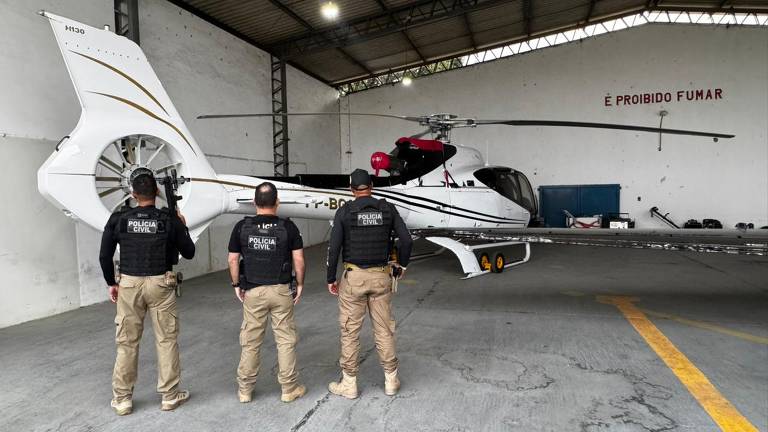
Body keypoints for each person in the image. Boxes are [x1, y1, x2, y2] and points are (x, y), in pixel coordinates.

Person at [98, 169, 195, 416]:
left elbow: (104, 255)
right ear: (157, 192)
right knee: (166, 340)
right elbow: (189, 252)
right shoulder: (168, 219)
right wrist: (181, 226)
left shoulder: (119, 218)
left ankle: (122, 400)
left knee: (127, 342)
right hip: (161, 283)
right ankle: (170, 397)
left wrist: (112, 282)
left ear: (132, 193)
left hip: (129, 284)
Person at [326, 168, 413, 399]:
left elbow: (334, 248)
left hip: (353, 278)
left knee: (350, 332)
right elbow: (406, 240)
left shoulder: (344, 212)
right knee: (384, 330)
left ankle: (349, 384)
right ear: (372, 187)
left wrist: (330, 278)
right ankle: (391, 380)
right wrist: (401, 266)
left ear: (351, 189)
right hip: (381, 277)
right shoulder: (387, 209)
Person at [227, 182, 307, 404]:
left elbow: (233, 259)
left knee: (251, 341)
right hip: (281, 291)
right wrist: (299, 284)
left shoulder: (241, 227)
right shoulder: (288, 227)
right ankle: (289, 389)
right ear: (277, 202)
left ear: (254, 202)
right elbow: (298, 259)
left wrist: (236, 285)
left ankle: (245, 390)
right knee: (285, 341)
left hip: (253, 291)